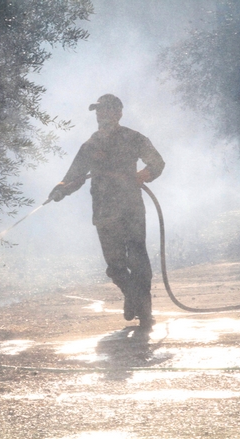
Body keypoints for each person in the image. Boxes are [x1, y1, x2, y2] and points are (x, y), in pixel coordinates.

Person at [49, 94, 165, 328]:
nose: (101, 115)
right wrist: (60, 190)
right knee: (115, 266)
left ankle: (145, 311)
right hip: (104, 211)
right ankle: (132, 295)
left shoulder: (133, 138)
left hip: (131, 207)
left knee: (138, 259)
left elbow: (157, 162)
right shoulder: (90, 145)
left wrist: (144, 175)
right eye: (98, 112)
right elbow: (74, 176)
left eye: (107, 111)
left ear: (119, 113)